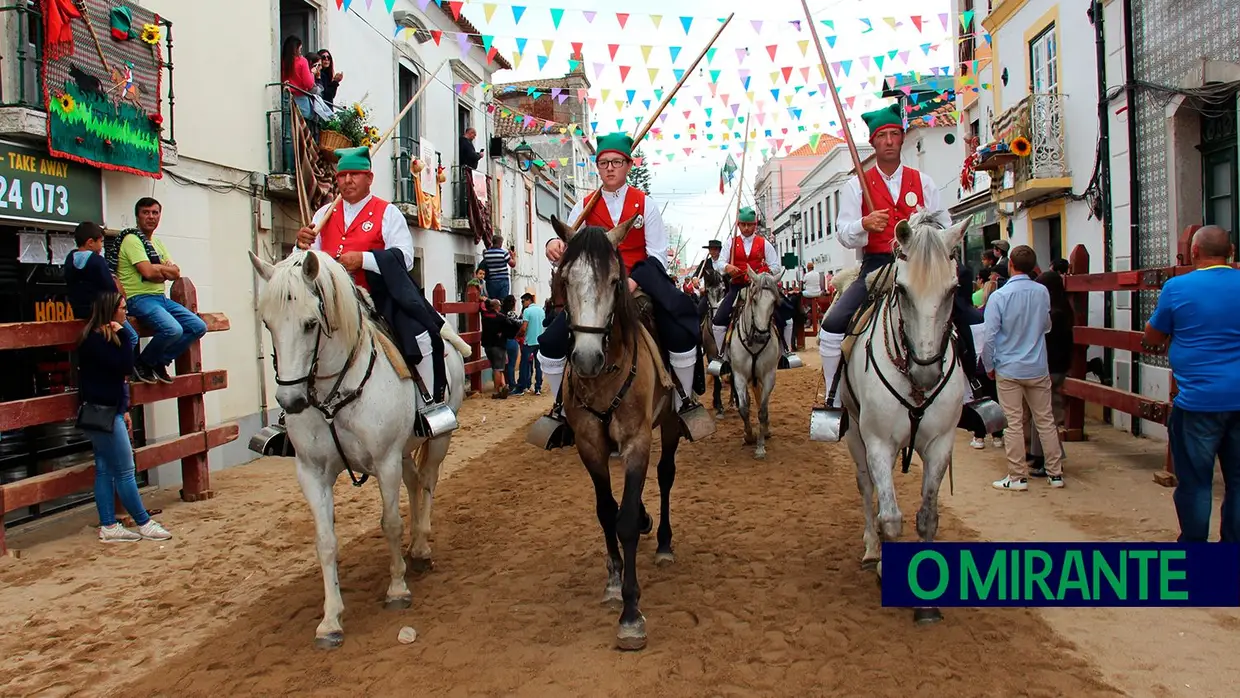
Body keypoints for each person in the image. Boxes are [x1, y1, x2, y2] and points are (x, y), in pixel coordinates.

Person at [538, 132, 703, 421]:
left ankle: (683, 402)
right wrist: (552, 245)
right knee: (550, 343)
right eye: (603, 163)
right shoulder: (584, 205)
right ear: (597, 167)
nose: (610, 168)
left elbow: (658, 256)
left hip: (637, 286)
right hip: (595, 291)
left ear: (628, 165)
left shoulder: (645, 204)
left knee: (679, 333)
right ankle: (560, 408)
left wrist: (633, 281)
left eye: (616, 162)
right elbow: (569, 247)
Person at [296, 146, 454, 423]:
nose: (347, 181)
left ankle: (428, 404)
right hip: (330, 302)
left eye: (355, 174)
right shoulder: (322, 215)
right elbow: (304, 266)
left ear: (369, 178)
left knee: (422, 335)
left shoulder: (387, 212)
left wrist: (364, 259)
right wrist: (300, 247)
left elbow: (404, 257)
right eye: (343, 175)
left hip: (377, 298)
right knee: (295, 338)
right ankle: (292, 414)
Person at [816, 103, 951, 408]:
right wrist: (864, 224)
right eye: (882, 136)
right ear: (873, 142)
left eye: (894, 134)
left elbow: (945, 224)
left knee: (963, 315)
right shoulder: (855, 186)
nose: (889, 141)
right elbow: (843, 232)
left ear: (902, 139)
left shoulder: (924, 182)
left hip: (919, 266)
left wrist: (927, 229)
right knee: (832, 325)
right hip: (876, 267)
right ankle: (833, 397)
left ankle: (973, 390)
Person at [1142, 225, 1240, 542]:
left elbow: (1154, 335)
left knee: (1196, 483)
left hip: (1198, 402)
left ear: (1194, 252)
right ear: (1232, 252)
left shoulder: (1177, 288)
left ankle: (1195, 555)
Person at [77, 292, 172, 543]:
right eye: (122, 308)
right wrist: (125, 333)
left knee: (105, 468)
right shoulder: (98, 341)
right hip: (104, 412)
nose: (126, 313)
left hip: (106, 411)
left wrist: (124, 409)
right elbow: (124, 367)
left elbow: (117, 379)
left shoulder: (96, 339)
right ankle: (143, 522)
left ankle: (109, 525)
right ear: (110, 311)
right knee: (125, 470)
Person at [981, 245, 1064, 491]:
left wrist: (988, 364)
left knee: (1014, 422)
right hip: (1037, 365)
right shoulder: (1042, 292)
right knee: (1045, 419)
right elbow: (1046, 325)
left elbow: (989, 336)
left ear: (1011, 265)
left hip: (1008, 366)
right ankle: (1055, 473)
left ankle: (1017, 476)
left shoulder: (999, 296)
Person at [115, 197, 207, 385]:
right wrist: (161, 270)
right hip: (138, 298)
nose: (151, 217)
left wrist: (159, 271)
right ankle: (143, 362)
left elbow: (176, 273)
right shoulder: (132, 240)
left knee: (198, 326)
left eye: (155, 213)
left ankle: (160, 361)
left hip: (159, 298)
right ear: (137, 216)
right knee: (173, 329)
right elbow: (148, 271)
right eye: (146, 213)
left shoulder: (157, 243)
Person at [709, 207, 792, 362]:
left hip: (762, 288)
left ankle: (786, 351)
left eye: (749, 225)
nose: (746, 228)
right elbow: (719, 262)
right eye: (743, 225)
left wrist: (762, 273)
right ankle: (722, 356)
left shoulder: (764, 243)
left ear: (755, 225)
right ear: (738, 225)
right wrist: (727, 267)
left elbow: (775, 266)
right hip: (738, 288)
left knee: (786, 316)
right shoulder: (731, 243)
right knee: (718, 321)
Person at [1024, 270, 1074, 473]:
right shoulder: (1062, 311)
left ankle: (1051, 458)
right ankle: (1040, 455)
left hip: (1050, 368)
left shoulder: (1055, 315)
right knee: (1042, 414)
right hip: (1055, 367)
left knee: (1045, 416)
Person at [65, 222, 119, 319]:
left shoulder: (70, 258)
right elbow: (112, 290)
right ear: (90, 242)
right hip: (100, 315)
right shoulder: (97, 261)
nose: (101, 246)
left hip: (78, 312)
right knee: (131, 334)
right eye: (101, 242)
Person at [480, 298, 519, 399]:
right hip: (498, 346)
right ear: (497, 307)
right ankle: (497, 391)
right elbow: (512, 327)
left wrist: (484, 299)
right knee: (499, 368)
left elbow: (482, 306)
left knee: (496, 367)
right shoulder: (501, 318)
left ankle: (504, 385)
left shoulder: (484, 316)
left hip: (487, 346)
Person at [515, 292, 545, 396]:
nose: (522, 304)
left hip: (529, 342)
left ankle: (522, 387)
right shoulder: (541, 310)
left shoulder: (527, 311)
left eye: (523, 301)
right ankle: (538, 388)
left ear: (528, 300)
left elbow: (524, 327)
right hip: (540, 341)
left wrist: (518, 335)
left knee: (523, 365)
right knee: (538, 366)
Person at [481, 235, 514, 300]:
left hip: (491, 282)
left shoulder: (486, 254)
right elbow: (513, 264)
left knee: (493, 302)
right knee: (503, 301)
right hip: (503, 281)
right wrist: (513, 256)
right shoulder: (504, 253)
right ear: (500, 243)